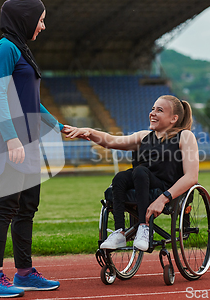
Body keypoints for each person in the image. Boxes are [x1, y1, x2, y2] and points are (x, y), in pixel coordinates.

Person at [0, 0, 74, 298]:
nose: (43, 26)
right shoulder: (5, 48)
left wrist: (59, 127)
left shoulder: (22, 49)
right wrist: (10, 138)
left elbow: (32, 103)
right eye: (41, 19)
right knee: (5, 206)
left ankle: (24, 273)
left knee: (27, 207)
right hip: (7, 140)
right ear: (25, 18)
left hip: (28, 140)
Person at [67, 95, 199, 251]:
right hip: (142, 181)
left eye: (159, 110)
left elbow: (191, 177)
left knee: (140, 171)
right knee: (121, 178)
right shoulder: (143, 136)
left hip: (166, 188)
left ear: (173, 118)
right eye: (152, 109)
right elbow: (111, 141)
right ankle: (119, 232)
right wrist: (89, 132)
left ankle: (144, 227)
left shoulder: (185, 136)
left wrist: (163, 199)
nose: (152, 113)